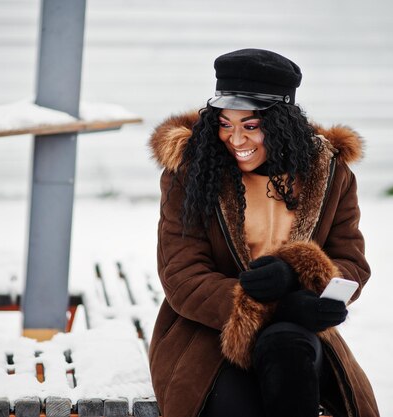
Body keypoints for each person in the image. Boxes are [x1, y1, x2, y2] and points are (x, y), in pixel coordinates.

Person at [148, 48, 379, 417]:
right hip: (207, 333)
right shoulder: (189, 173)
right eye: (225, 124)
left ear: (283, 123)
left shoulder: (331, 175)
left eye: (251, 126)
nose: (236, 139)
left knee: (288, 349)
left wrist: (303, 276)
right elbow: (182, 276)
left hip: (298, 332)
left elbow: (350, 261)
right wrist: (270, 305)